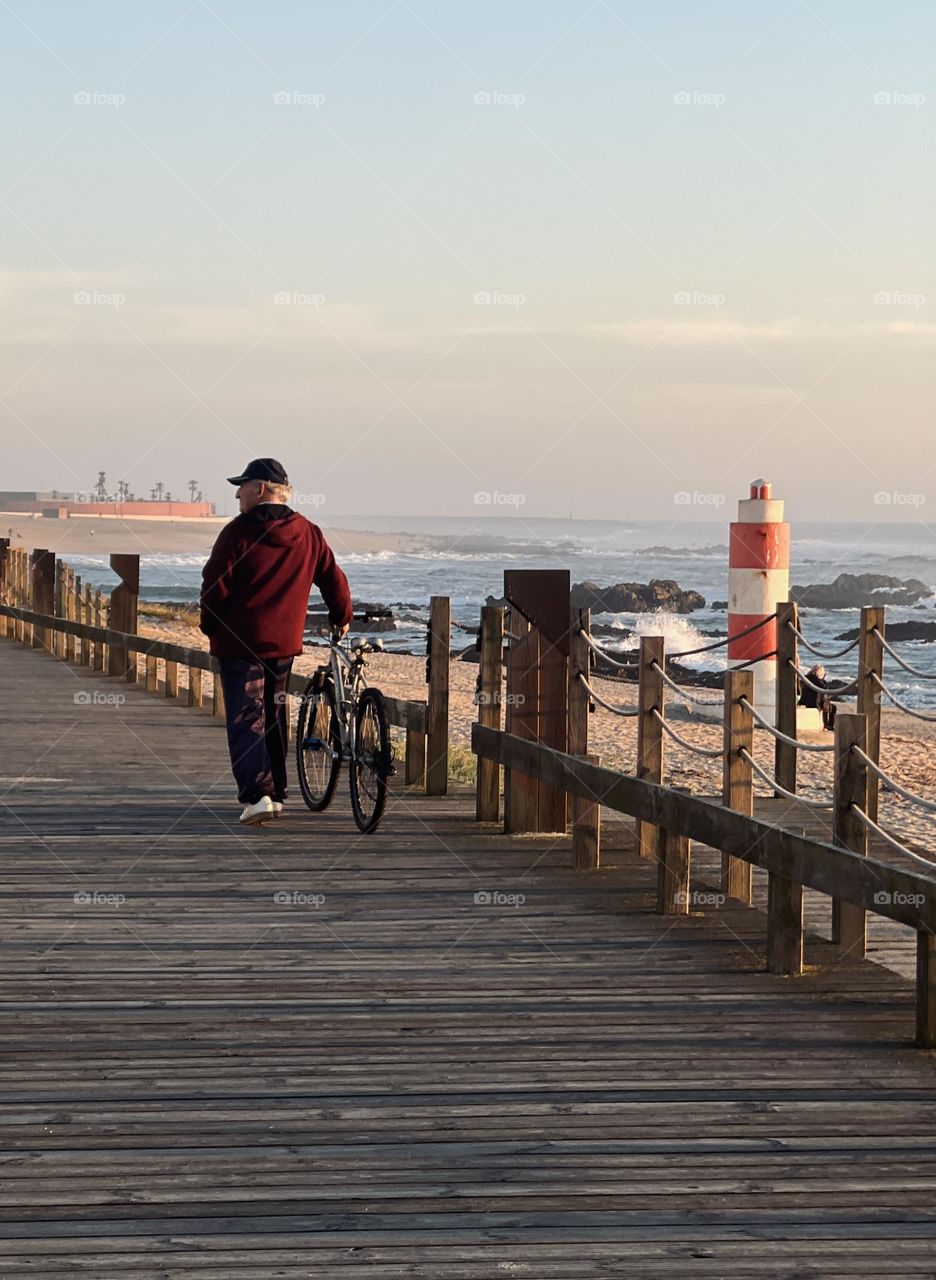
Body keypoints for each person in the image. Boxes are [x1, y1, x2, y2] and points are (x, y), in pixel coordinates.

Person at [199, 459, 353, 825]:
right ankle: (275, 792)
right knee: (274, 713)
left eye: (243, 486)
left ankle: (258, 796)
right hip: (282, 644)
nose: (237, 493)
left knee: (246, 714)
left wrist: (210, 626)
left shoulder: (237, 533)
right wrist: (341, 615)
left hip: (239, 644)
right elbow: (333, 577)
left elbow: (214, 585)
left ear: (262, 489)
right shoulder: (308, 533)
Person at [798, 662, 836, 731]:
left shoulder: (804, 679)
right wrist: (823, 679)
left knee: (826, 705)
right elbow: (825, 694)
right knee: (832, 707)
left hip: (803, 702)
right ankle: (829, 725)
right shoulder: (820, 683)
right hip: (815, 703)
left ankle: (827, 725)